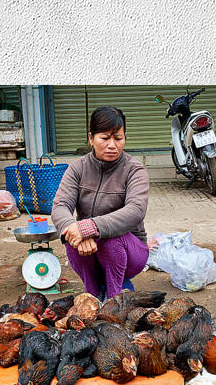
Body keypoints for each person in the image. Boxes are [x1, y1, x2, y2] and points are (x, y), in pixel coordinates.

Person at [51, 106, 150, 301]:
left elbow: (136, 210)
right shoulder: (77, 168)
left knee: (109, 239)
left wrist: (91, 227)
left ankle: (114, 300)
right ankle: (93, 294)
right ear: (91, 138)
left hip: (131, 252)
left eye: (118, 138)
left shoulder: (134, 170)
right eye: (105, 138)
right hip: (90, 251)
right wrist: (75, 228)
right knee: (71, 235)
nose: (112, 145)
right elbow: (60, 206)